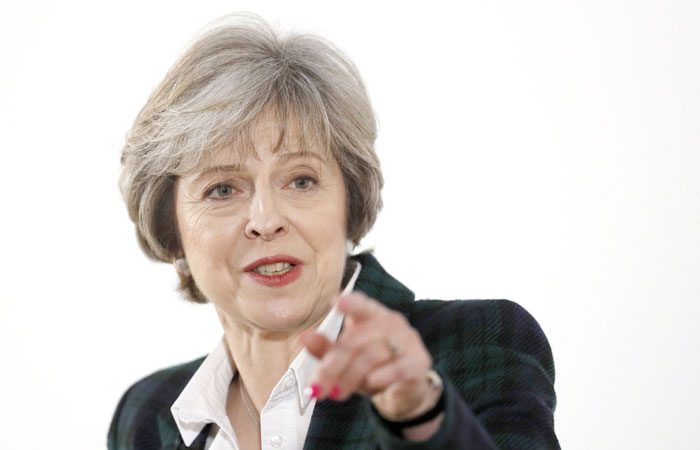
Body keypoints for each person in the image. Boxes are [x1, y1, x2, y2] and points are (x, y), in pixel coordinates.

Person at [108, 13, 559, 450]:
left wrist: (420, 414)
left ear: (350, 199)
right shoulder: (146, 414)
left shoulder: (474, 344)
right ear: (172, 229)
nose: (266, 220)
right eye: (222, 189)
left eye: (301, 180)